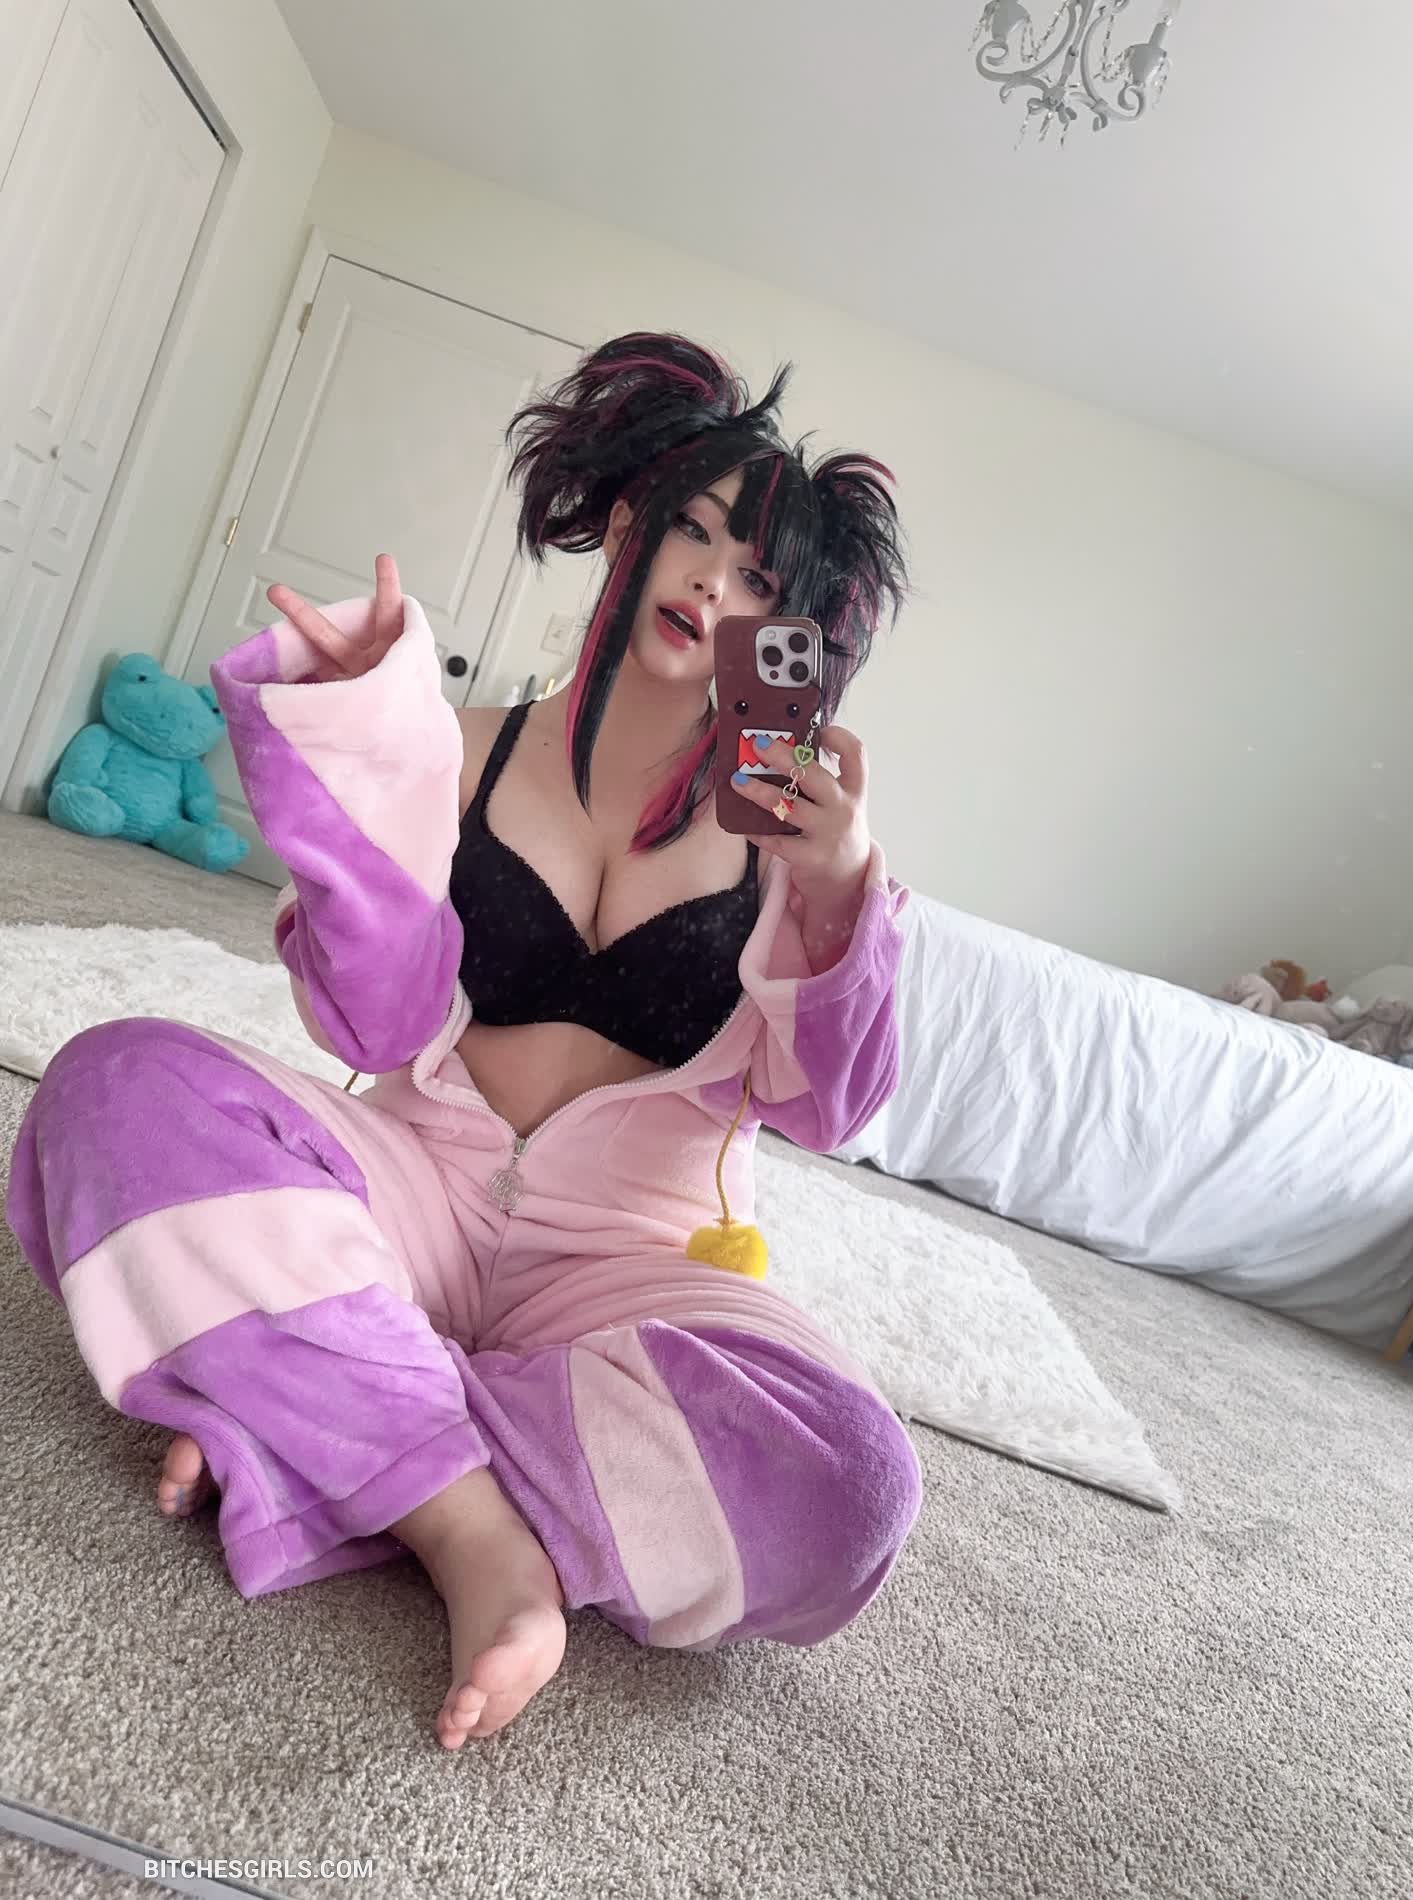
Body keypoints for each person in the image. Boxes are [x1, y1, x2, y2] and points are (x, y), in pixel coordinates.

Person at [6, 333, 921, 1750]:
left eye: (759, 580)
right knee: (115, 1084)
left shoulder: (791, 843)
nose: (710, 585)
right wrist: (362, 760)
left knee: (852, 1478)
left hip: (627, 1262)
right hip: (408, 1190)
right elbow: (368, 1022)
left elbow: (830, 1108)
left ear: (790, 631)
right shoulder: (451, 747)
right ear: (627, 520)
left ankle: (329, 1412)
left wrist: (842, 889)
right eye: (692, 531)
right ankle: (470, 1524)